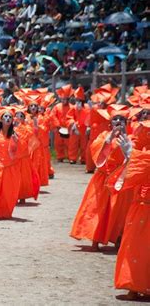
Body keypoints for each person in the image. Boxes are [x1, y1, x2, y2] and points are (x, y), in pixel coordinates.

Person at [70, 105, 134, 251]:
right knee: (98, 209)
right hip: (103, 179)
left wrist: (127, 150)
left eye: (122, 119)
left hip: (121, 180)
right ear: (110, 123)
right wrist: (108, 140)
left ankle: (118, 238)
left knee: (119, 211)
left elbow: (132, 157)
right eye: (115, 119)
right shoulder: (103, 136)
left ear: (126, 123)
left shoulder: (130, 138)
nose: (119, 122)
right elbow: (96, 152)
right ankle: (95, 239)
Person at [112, 129, 150, 300]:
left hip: (145, 207)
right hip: (142, 206)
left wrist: (131, 155)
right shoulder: (146, 152)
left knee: (136, 248)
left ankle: (135, 286)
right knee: (134, 247)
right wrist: (131, 157)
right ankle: (135, 285)